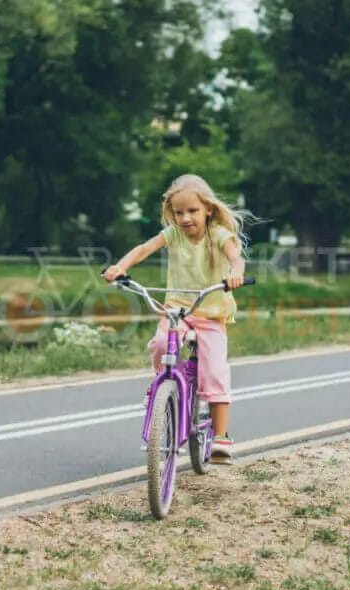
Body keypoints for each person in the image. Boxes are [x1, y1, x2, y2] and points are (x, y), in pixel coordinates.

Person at [103, 174, 251, 463]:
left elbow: (236, 257)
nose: (185, 218)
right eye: (178, 212)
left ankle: (220, 436)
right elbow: (144, 249)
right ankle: (165, 383)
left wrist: (236, 273)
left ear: (208, 209)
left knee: (215, 372)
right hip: (177, 310)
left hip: (210, 314)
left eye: (192, 211)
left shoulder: (218, 233)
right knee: (160, 344)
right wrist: (120, 267)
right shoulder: (173, 234)